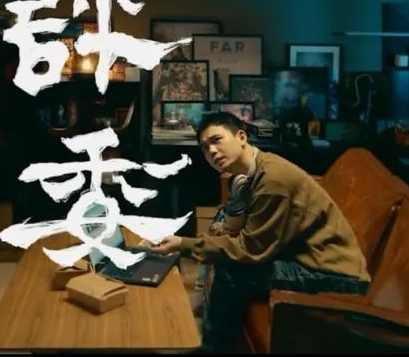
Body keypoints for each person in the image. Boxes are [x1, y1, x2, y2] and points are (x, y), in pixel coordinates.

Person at [143, 111, 371, 353]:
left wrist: (183, 244)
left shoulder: (273, 180)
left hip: (334, 275)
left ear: (241, 137)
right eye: (205, 147)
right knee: (225, 254)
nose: (212, 151)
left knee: (233, 271)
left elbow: (250, 249)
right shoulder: (249, 173)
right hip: (304, 257)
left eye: (217, 140)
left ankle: (213, 349)